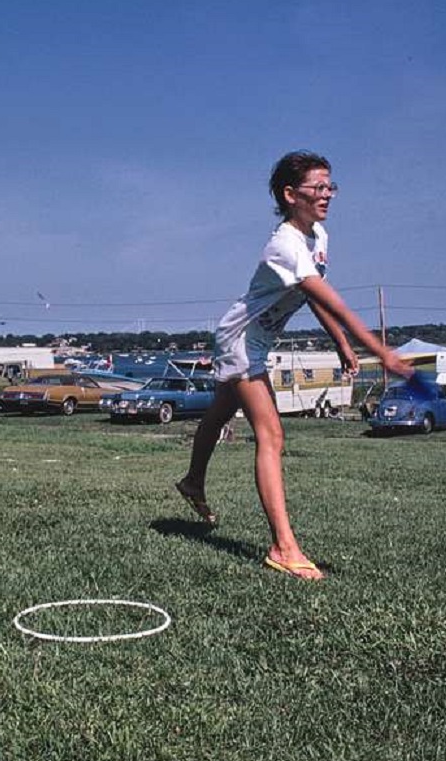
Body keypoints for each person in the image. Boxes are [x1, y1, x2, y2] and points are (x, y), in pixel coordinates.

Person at [176, 150, 414, 580]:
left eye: (330, 186)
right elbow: (331, 299)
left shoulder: (316, 237)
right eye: (318, 188)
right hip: (241, 340)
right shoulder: (283, 245)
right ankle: (283, 547)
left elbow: (315, 296)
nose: (328, 195)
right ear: (290, 194)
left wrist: (343, 345)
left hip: (259, 339)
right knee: (271, 435)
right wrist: (380, 351)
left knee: (218, 413)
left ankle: (193, 481)